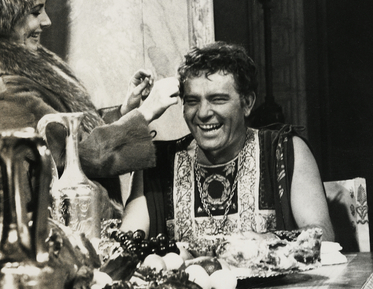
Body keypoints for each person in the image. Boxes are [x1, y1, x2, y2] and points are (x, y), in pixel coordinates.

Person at [0, 0, 180, 240]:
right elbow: (84, 154)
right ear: (2, 16)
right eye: (36, 11)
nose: (47, 21)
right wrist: (146, 114)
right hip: (40, 242)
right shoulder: (5, 89)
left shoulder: (19, 63)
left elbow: (66, 134)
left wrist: (125, 110)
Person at [121, 41, 335, 246]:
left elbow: (322, 237)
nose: (203, 113)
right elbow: (125, 244)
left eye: (218, 99)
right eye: (193, 101)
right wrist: (134, 116)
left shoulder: (285, 151)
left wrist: (267, 240)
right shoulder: (158, 165)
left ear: (248, 103)